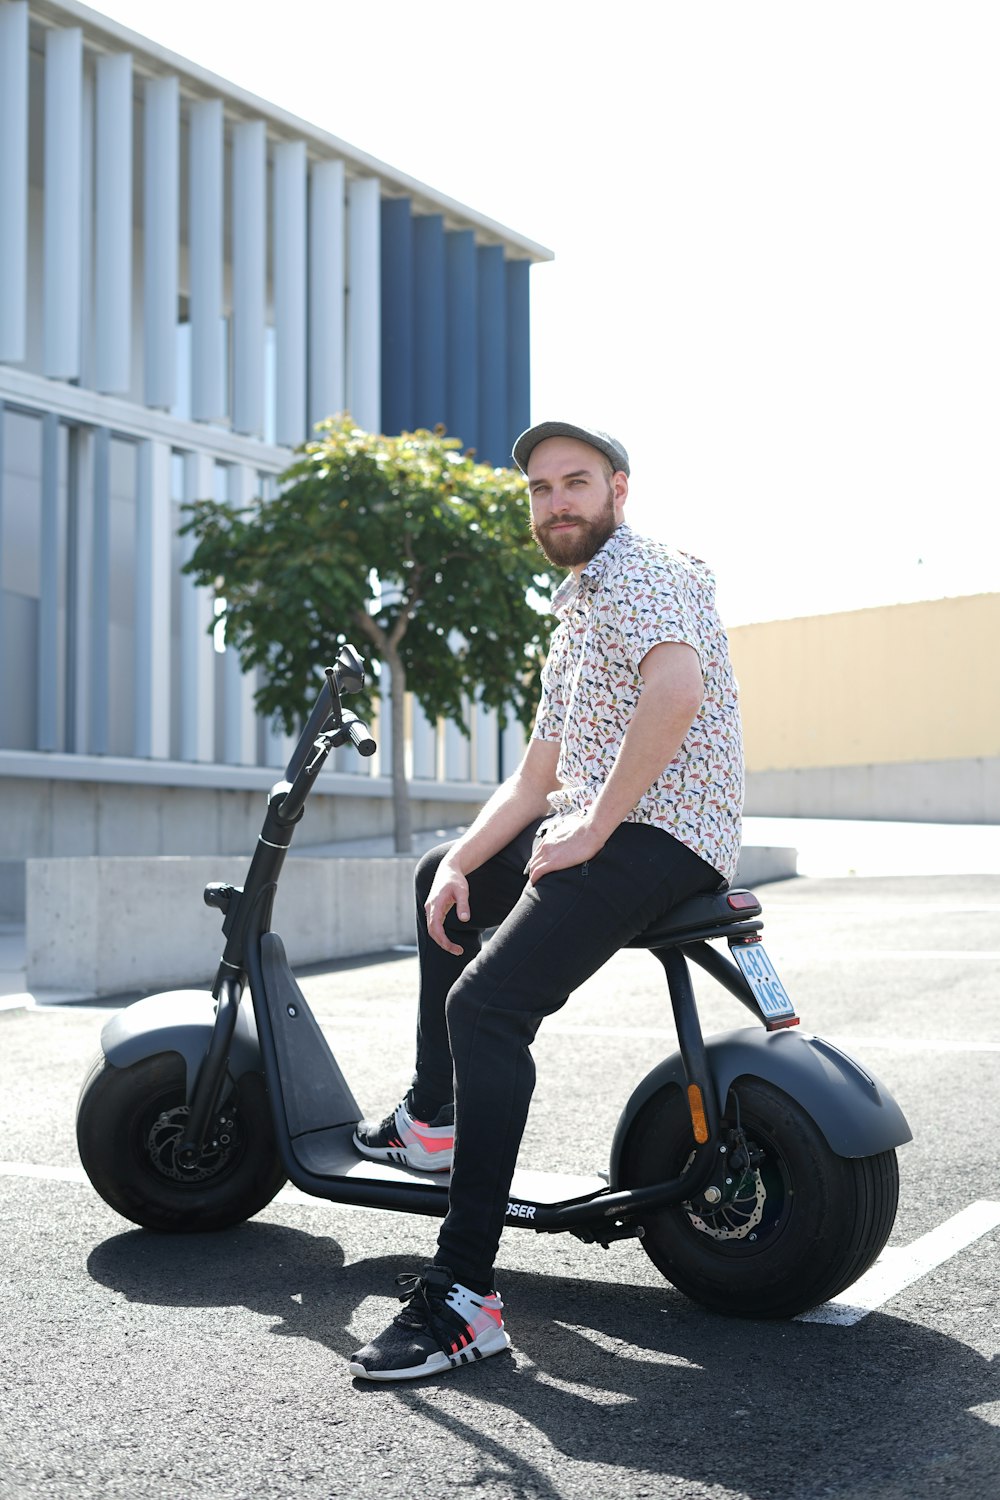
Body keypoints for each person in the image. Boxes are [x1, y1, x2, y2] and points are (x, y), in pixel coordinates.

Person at [348, 420, 745, 1382]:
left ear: (618, 488)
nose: (556, 503)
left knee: (485, 1007)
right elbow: (533, 784)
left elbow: (676, 692)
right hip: (620, 824)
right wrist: (461, 864)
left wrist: (596, 829)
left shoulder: (640, 572)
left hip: (662, 834)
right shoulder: (576, 611)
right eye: (539, 490)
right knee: (442, 874)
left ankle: (464, 1297)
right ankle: (435, 1121)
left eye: (575, 483)